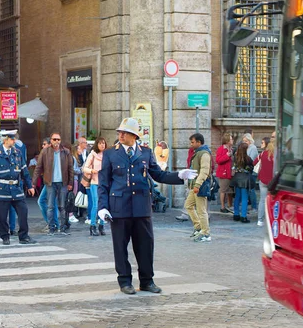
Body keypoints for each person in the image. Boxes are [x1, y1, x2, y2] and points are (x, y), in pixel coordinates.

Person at [98, 118, 196, 294]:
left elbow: (158, 174)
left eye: (124, 132)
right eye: (119, 132)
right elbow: (104, 183)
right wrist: (102, 207)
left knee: (145, 245)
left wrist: (179, 175)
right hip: (119, 206)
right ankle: (125, 281)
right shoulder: (111, 154)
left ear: (134, 135)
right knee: (120, 247)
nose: (120, 135)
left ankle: (147, 281)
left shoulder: (145, 153)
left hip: (141, 206)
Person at [33, 132, 74, 235]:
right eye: (54, 139)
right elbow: (38, 168)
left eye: (58, 139)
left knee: (62, 206)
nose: (56, 141)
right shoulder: (45, 151)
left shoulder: (66, 152)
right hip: (50, 183)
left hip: (62, 182)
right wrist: (33, 183)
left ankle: (63, 227)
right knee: (50, 206)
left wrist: (70, 182)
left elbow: (70, 168)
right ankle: (52, 227)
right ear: (51, 140)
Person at [184, 133, 212, 243]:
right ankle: (198, 227)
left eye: (193, 142)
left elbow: (204, 171)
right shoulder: (198, 153)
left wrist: (197, 185)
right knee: (188, 206)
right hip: (194, 185)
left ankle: (206, 233)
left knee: (201, 210)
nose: (191, 144)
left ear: (199, 142)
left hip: (200, 186)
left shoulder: (204, 154)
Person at [82, 137, 107, 236]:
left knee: (103, 205)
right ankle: (93, 226)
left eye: (104, 143)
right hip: (94, 182)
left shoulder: (107, 155)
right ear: (97, 144)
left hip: (104, 183)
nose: (102, 145)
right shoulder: (92, 155)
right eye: (100, 143)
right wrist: (92, 171)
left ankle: (101, 225)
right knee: (96, 204)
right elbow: (85, 168)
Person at [36, 138, 58, 231]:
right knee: (52, 202)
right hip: (49, 181)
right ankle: (53, 223)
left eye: (44, 144)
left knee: (42, 201)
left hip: (52, 181)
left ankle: (52, 223)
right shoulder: (46, 154)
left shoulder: (52, 154)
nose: (42, 146)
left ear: (49, 144)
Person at [254, 136, 275, 227]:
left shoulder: (262, 154)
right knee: (273, 200)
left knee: (262, 200)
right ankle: (271, 219)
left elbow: (254, 162)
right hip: (273, 181)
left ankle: (260, 220)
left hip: (262, 180)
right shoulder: (276, 155)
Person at [231, 143, 254, 223]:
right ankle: (243, 216)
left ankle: (236, 214)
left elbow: (233, 167)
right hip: (245, 179)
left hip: (237, 178)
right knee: (244, 198)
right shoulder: (248, 159)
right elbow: (251, 168)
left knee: (237, 197)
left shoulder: (235, 158)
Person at [216, 132, 234, 213]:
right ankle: (222, 207)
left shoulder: (232, 149)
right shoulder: (221, 149)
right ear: (227, 141)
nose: (232, 140)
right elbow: (218, 160)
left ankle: (230, 206)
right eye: (231, 139)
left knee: (230, 190)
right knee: (223, 190)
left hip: (231, 173)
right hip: (223, 173)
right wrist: (227, 156)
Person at [242, 133, 258, 211]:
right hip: (246, 171)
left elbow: (251, 160)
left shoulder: (253, 148)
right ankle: (251, 205)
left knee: (251, 189)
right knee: (247, 189)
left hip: (252, 171)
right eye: (244, 141)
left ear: (250, 141)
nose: (245, 142)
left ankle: (254, 206)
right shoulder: (246, 148)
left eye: (246, 141)